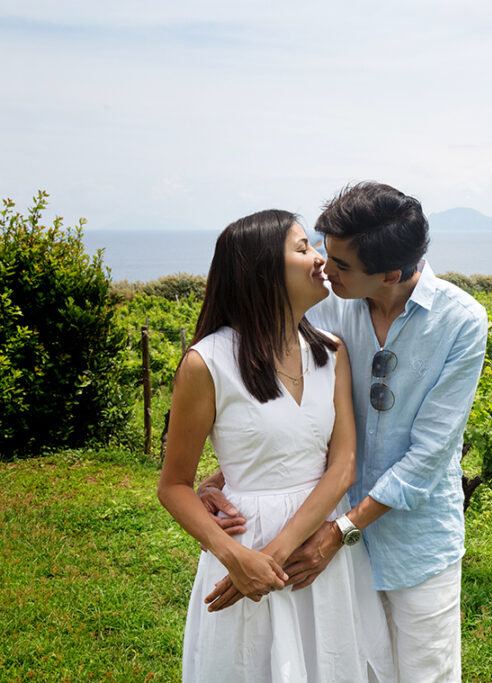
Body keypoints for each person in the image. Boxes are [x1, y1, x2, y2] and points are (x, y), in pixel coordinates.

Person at [200, 183, 488, 681]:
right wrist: (228, 472)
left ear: (391, 275)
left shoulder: (461, 322)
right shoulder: (328, 305)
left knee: (425, 674)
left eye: (340, 264)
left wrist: (342, 532)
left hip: (411, 543)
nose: (323, 268)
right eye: (321, 250)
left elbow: (430, 455)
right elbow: (295, 408)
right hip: (320, 537)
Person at [158, 209, 394, 682]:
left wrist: (277, 557)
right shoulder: (206, 363)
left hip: (316, 553)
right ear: (263, 270)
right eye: (304, 247)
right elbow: (175, 486)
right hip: (245, 549)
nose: (320, 259)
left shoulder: (332, 351)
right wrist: (236, 558)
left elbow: (342, 466)